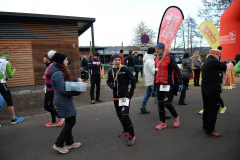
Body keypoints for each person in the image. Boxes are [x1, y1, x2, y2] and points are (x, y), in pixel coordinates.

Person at [49, 52, 85, 154]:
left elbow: (65, 85)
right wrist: (78, 90)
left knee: (70, 121)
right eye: (65, 59)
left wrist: (75, 80)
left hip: (64, 100)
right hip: (62, 100)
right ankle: (58, 144)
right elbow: (63, 90)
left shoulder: (58, 71)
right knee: (71, 121)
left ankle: (70, 143)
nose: (67, 61)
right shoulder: (58, 73)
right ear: (61, 61)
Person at [107, 53, 136, 146]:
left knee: (125, 115)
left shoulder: (125, 69)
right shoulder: (110, 70)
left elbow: (134, 80)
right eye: (115, 60)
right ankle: (126, 130)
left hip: (124, 96)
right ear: (112, 61)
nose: (117, 62)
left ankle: (132, 134)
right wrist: (110, 85)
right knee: (119, 115)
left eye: (119, 60)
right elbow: (108, 80)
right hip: (116, 96)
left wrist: (130, 94)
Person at [154, 43, 183, 130]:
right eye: (156, 49)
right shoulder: (156, 59)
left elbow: (177, 70)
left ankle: (176, 117)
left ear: (163, 49)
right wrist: (154, 83)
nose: (157, 50)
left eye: (158, 49)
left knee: (167, 103)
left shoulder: (170, 58)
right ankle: (162, 123)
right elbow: (156, 72)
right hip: (159, 84)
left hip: (167, 84)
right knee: (160, 104)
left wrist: (180, 83)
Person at [201, 49, 226, 137]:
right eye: (219, 56)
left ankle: (205, 127)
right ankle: (211, 130)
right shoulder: (213, 61)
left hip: (205, 90)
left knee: (206, 109)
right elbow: (224, 67)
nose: (218, 58)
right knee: (214, 111)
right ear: (215, 54)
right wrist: (233, 61)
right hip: (213, 91)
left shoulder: (206, 62)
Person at [0, 50, 24, 126]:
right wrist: (13, 71)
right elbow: (10, 75)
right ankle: (13, 119)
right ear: (7, 57)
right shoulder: (7, 62)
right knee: (9, 100)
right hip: (1, 84)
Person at [43, 50, 65, 127]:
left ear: (49, 59)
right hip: (48, 88)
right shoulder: (49, 66)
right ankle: (53, 121)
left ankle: (60, 116)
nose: (43, 58)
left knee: (46, 106)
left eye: (45, 57)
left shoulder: (52, 66)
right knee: (51, 105)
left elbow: (56, 76)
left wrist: (51, 84)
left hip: (51, 89)